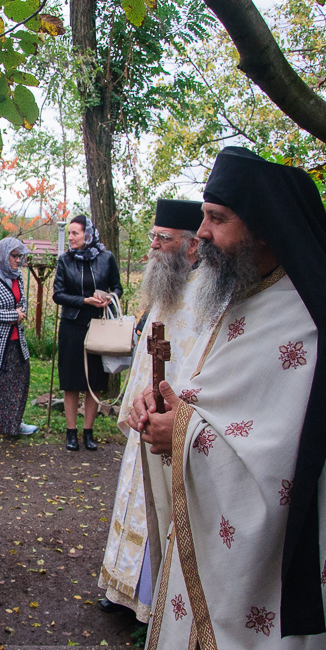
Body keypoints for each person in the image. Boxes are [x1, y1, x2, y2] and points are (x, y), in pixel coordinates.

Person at [128, 147, 326, 650]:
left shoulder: (311, 318)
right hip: (227, 554)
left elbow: (294, 459)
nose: (201, 232)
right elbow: (227, 402)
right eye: (204, 216)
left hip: (287, 565)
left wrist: (183, 432)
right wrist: (171, 408)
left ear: (265, 229)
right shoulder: (245, 293)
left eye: (217, 219)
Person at [97, 199, 201, 622]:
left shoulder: (209, 296)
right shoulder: (167, 289)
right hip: (145, 416)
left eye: (164, 238)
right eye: (153, 236)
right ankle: (122, 589)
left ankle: (155, 599)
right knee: (134, 497)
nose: (154, 245)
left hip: (174, 424)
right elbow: (147, 357)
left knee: (163, 507)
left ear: (193, 245)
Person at [52, 214, 122, 451]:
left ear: (88, 235)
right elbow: (58, 294)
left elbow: (117, 287)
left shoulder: (106, 258)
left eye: (75, 233)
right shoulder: (64, 260)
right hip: (72, 326)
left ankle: (88, 432)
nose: (70, 238)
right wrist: (84, 301)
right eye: (69, 233)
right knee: (71, 381)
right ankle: (71, 432)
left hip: (99, 325)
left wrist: (109, 298)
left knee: (95, 380)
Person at [0, 237, 37, 439]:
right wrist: (12, 315)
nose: (18, 260)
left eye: (20, 256)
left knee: (18, 381)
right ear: (3, 255)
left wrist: (21, 312)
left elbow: (22, 302)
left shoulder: (18, 277)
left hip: (17, 341)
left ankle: (14, 424)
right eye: (14, 256)